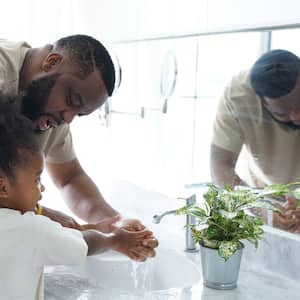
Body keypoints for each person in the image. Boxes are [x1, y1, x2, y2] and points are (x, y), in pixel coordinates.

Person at [0, 35, 158, 260]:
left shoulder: (52, 112)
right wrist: (45, 215)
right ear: (52, 62)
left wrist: (114, 222)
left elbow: (69, 178)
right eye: (73, 100)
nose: (68, 118)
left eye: (80, 114)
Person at [0, 99, 155, 299]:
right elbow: (83, 244)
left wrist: (99, 226)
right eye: (37, 179)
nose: (42, 188)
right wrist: (114, 241)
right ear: (3, 187)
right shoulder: (30, 229)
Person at [210, 49, 300, 233]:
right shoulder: (238, 96)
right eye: (282, 113)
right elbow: (221, 165)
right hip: (266, 194)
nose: (296, 116)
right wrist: (261, 209)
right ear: (261, 102)